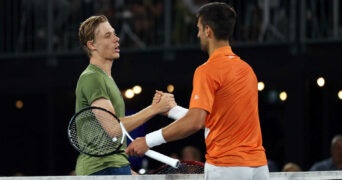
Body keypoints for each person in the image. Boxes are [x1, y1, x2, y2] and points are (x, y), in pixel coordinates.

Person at [125, 2, 269, 179]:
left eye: (199, 28)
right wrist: (172, 110)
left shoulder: (207, 70)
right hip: (258, 166)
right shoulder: (247, 70)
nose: (198, 34)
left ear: (208, 30)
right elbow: (216, 121)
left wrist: (147, 141)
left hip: (227, 166)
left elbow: (195, 122)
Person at [75, 15, 175, 176]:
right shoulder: (92, 77)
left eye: (114, 33)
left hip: (114, 166)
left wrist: (127, 171)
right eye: (108, 35)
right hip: (100, 169)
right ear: (92, 45)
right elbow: (114, 129)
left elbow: (112, 138)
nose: (116, 39)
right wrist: (154, 109)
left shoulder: (105, 78)